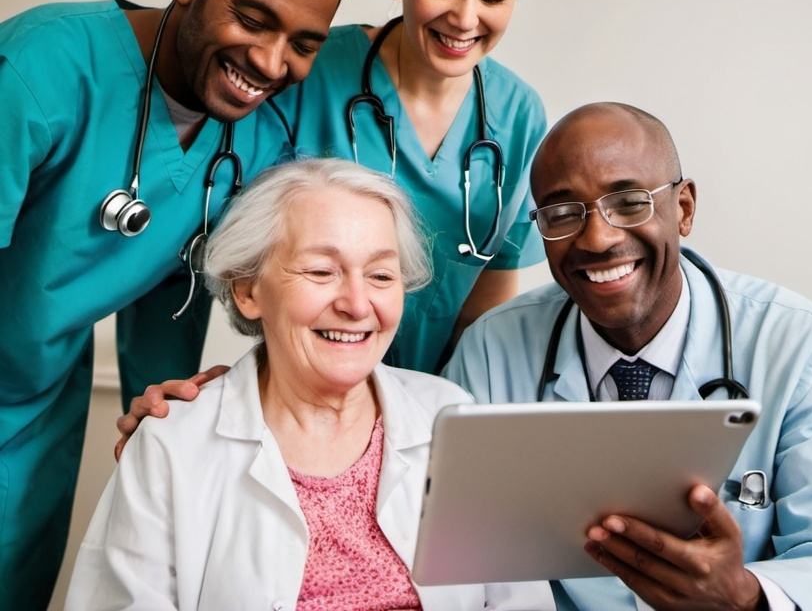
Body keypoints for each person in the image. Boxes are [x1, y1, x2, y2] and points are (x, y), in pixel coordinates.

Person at [0, 0, 357, 608]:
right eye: (254, 18)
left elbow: (176, 292)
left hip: (39, 410)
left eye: (303, 43)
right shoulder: (40, 69)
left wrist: (158, 424)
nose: (270, 61)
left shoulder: (260, 141)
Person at [442, 103, 812, 610]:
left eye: (629, 202)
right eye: (562, 213)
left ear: (683, 208)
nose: (597, 238)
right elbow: (454, 560)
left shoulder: (799, 348)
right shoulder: (488, 354)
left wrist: (746, 598)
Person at [65, 158, 554, 611]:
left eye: (382, 275)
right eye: (322, 271)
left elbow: (520, 600)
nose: (358, 304)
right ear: (248, 289)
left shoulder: (454, 417)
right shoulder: (172, 443)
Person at [264, 0, 554, 373]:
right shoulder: (309, 74)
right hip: (307, 380)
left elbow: (487, 307)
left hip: (441, 397)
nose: (465, 18)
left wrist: (448, 410)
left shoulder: (518, 117)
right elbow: (256, 264)